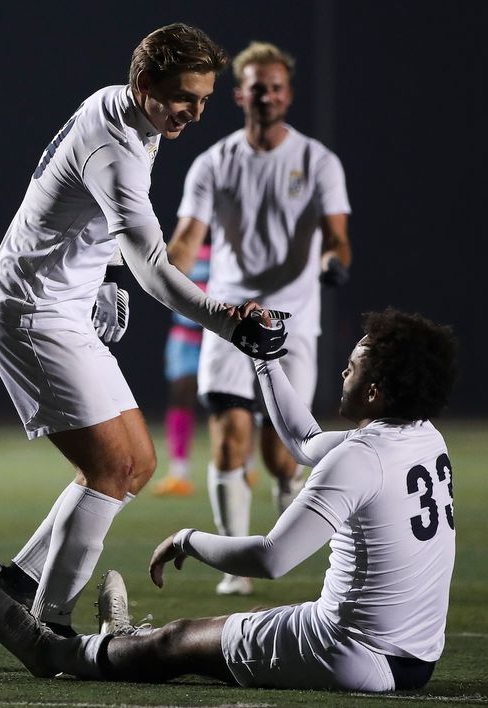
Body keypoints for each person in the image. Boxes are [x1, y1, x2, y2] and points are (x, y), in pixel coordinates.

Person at [0, 23, 290, 638]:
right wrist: (227, 322)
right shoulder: (117, 144)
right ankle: (50, 629)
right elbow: (154, 266)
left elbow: (78, 216)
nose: (195, 113)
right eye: (183, 99)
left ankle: (17, 583)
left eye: (203, 99)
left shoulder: (121, 108)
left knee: (138, 465)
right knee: (110, 468)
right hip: (31, 314)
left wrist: (99, 276)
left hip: (61, 303)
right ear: (144, 84)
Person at [0, 308, 460, 693]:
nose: (342, 371)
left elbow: (271, 559)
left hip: (350, 652)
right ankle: (113, 644)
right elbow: (304, 443)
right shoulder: (424, 437)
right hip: (416, 657)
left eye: (352, 368)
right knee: (217, 632)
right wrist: (264, 360)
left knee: (181, 640)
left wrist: (189, 540)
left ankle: (53, 652)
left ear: (374, 392)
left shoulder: (362, 457)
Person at [166, 41, 353, 595]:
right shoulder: (213, 163)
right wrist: (152, 275)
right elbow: (186, 239)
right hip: (228, 319)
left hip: (293, 320)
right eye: (256, 86)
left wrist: (332, 263)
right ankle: (233, 567)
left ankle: (287, 514)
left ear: (287, 95)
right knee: (228, 438)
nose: (266, 95)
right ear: (239, 94)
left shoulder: (317, 161)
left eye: (275, 86)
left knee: (282, 452)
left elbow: (338, 237)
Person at [152, 239, 211, 498]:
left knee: (231, 400)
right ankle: (179, 472)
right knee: (180, 397)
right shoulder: (184, 245)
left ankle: (244, 465)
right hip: (185, 336)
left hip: (218, 337)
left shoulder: (230, 245)